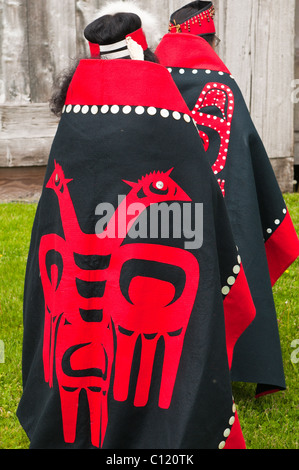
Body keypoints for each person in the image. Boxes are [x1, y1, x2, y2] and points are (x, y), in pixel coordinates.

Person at [17, 1, 256, 449]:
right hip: (146, 299)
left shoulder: (75, 121)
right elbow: (201, 218)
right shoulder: (170, 121)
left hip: (88, 302)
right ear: (145, 54)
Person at [156, 0, 299, 398]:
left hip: (162, 216)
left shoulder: (151, 79)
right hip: (222, 214)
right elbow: (242, 158)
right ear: (209, 39)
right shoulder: (224, 86)